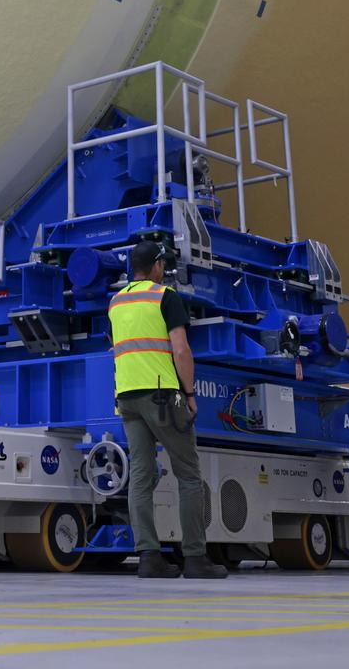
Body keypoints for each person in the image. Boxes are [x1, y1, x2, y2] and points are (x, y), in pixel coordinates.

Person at [110, 237, 226, 580]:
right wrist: (189, 394)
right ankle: (195, 558)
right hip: (163, 395)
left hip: (127, 397)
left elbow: (117, 348)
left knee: (141, 476)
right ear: (157, 266)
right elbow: (181, 350)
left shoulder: (116, 302)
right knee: (188, 474)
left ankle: (149, 557)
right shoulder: (165, 296)